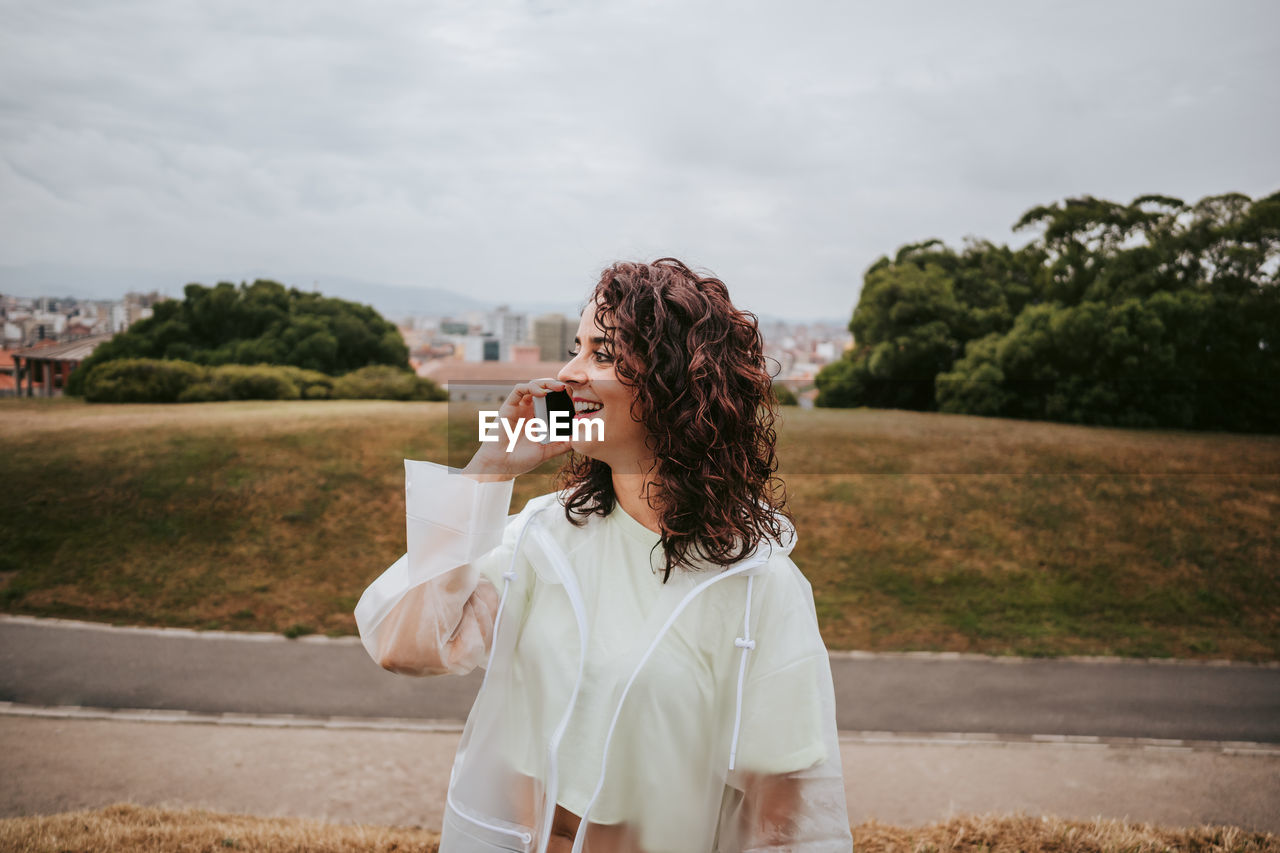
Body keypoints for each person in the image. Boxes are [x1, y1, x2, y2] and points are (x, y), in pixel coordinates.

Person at [355, 258, 852, 852]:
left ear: (676, 386)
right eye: (575, 348)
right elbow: (404, 647)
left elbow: (786, 819)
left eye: (604, 354)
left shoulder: (758, 585)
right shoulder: (542, 540)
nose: (568, 374)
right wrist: (490, 470)